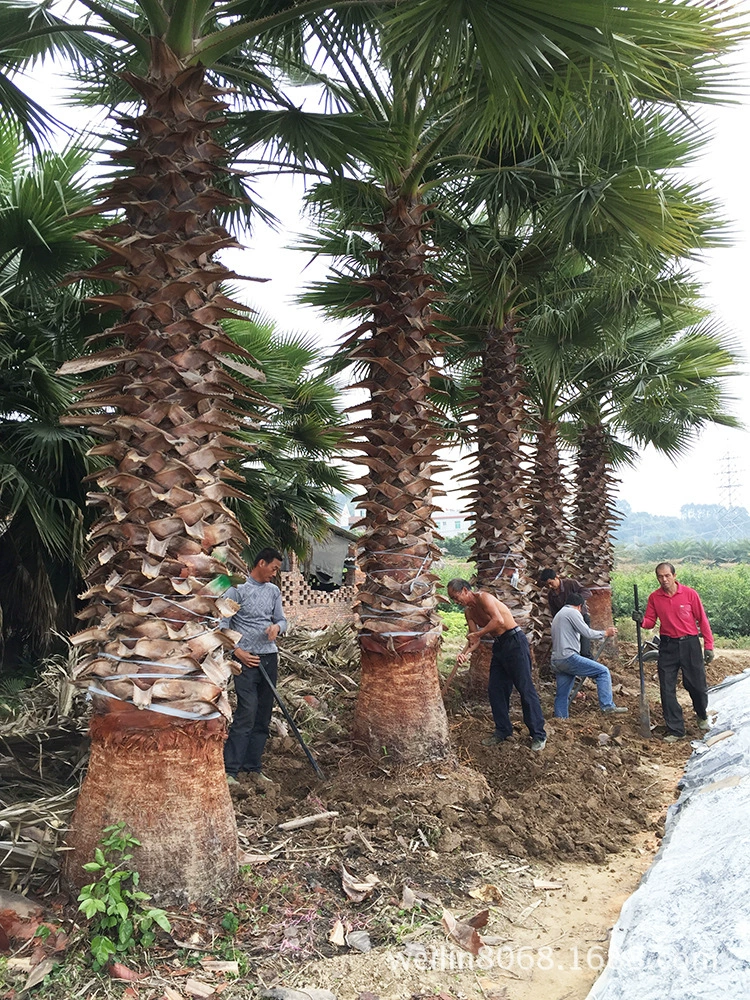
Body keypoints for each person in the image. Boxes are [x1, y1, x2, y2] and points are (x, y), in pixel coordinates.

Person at [448, 578, 547, 752]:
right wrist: (465, 654)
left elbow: (498, 621)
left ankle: (538, 734)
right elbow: (474, 639)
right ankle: (502, 731)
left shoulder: (484, 598)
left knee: (525, 688)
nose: (456, 601)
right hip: (499, 645)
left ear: (465, 590)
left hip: (515, 641)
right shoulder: (468, 613)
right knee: (495, 690)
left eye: (456, 597)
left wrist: (479, 632)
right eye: (453, 599)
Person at [220, 547, 287, 783]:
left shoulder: (273, 591)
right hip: (245, 661)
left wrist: (276, 628)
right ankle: (230, 769)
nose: (274, 573)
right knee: (247, 712)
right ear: (261, 563)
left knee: (263, 714)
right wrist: (238, 653)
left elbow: (282, 620)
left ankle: (253, 767)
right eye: (274, 568)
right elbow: (222, 625)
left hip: (269, 658)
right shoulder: (237, 589)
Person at [634, 562, 714, 743]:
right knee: (667, 688)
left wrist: (708, 645)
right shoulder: (655, 597)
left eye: (667, 576)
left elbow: (702, 620)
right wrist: (640, 620)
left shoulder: (689, 594)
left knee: (697, 686)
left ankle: (701, 715)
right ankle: (676, 729)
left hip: (690, 644)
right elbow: (650, 622)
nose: (664, 580)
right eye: (660, 577)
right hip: (668, 646)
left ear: (674, 576)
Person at [551, 593, 626, 718]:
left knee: (562, 695)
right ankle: (607, 706)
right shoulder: (573, 613)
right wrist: (605, 633)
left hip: (557, 660)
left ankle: (561, 720)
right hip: (569, 657)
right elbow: (587, 632)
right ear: (580, 606)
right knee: (603, 672)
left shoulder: (559, 615)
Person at [538, 569, 593, 657]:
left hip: (581, 619)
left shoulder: (571, 584)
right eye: (547, 585)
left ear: (556, 577)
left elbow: (587, 592)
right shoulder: (551, 595)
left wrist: (575, 601)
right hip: (567, 626)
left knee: (584, 651)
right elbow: (555, 613)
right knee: (572, 651)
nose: (550, 586)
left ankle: (593, 669)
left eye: (551, 583)